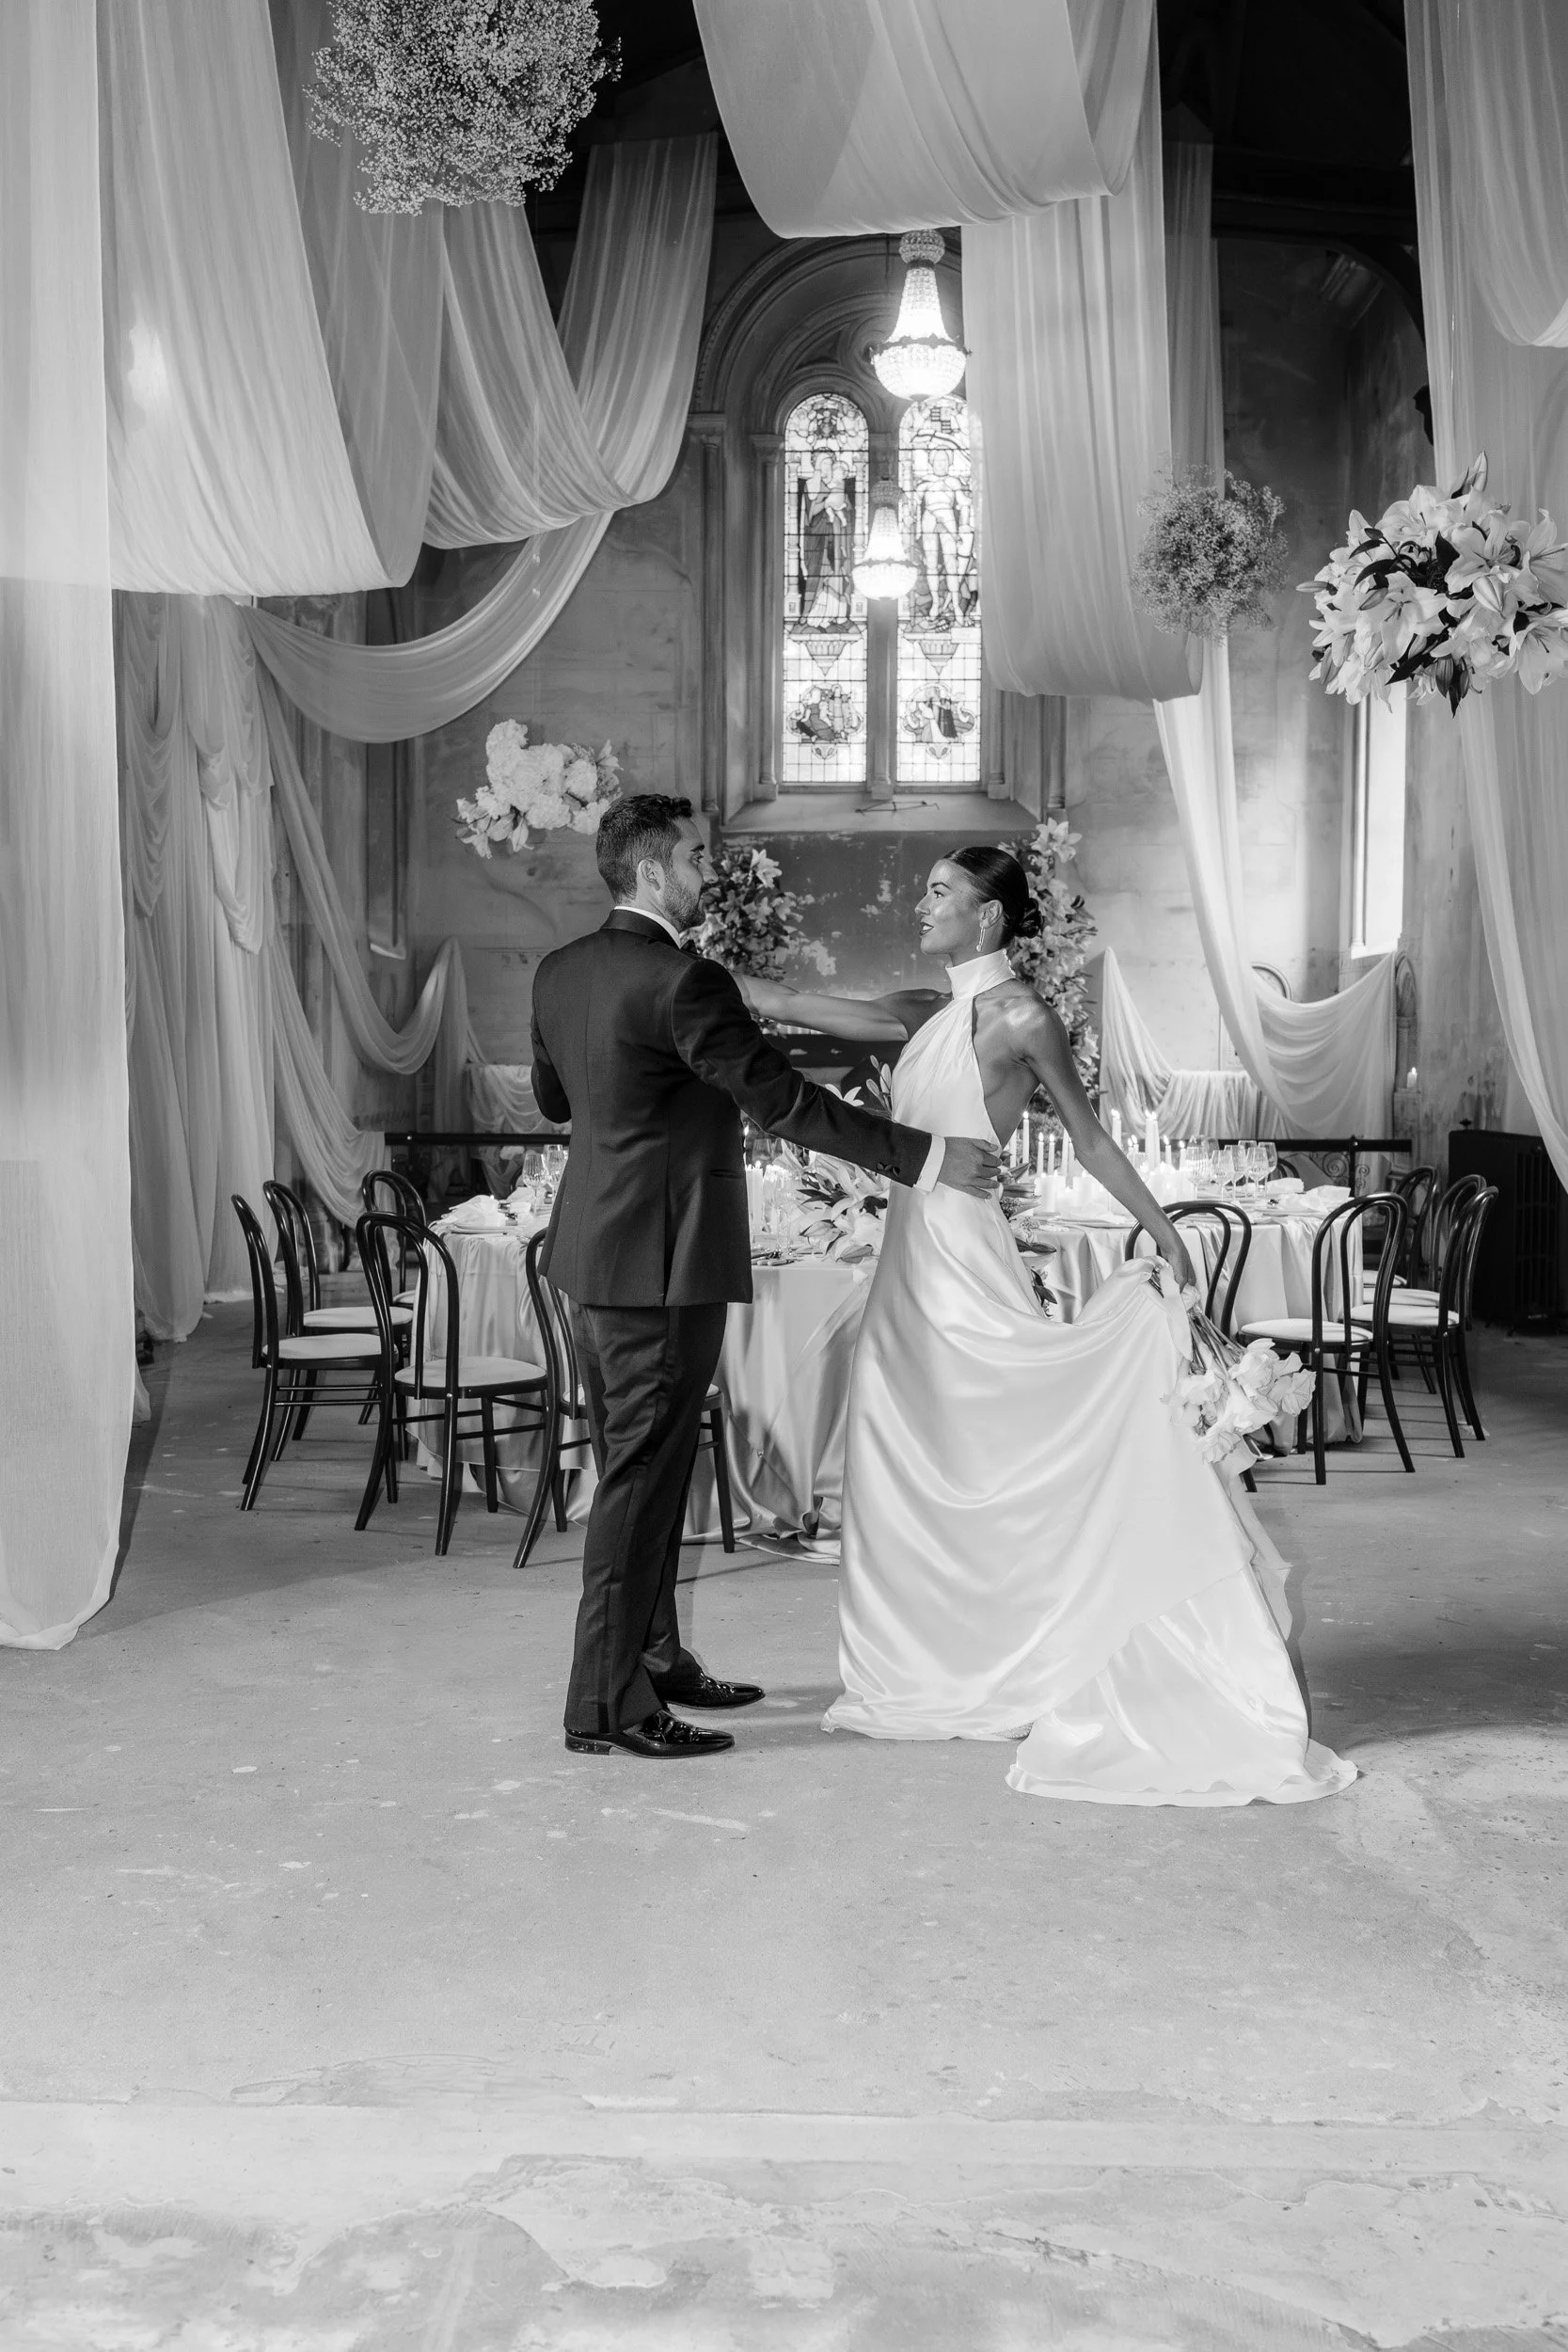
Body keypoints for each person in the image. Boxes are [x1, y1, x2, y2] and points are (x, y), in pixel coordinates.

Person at [737, 848, 1354, 1807]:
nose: (922, 902)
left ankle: (1043, 1635)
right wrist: (690, 971)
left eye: (942, 891)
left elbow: (1089, 1134)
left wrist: (1161, 1231)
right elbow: (790, 1001)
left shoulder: (1022, 1017)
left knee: (984, 1453)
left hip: (962, 1267)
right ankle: (942, 1652)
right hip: (905, 1262)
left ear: (988, 917)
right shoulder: (918, 1009)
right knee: (903, 1461)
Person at [529, 797, 1000, 1763]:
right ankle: (604, 1703)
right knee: (636, 1478)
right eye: (699, 858)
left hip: (592, 1252)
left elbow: (551, 1098)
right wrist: (925, 1158)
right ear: (653, 872)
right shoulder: (684, 980)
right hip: (663, 1261)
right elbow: (782, 1104)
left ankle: (655, 1656)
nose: (713, 874)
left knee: (650, 1471)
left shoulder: (559, 970)